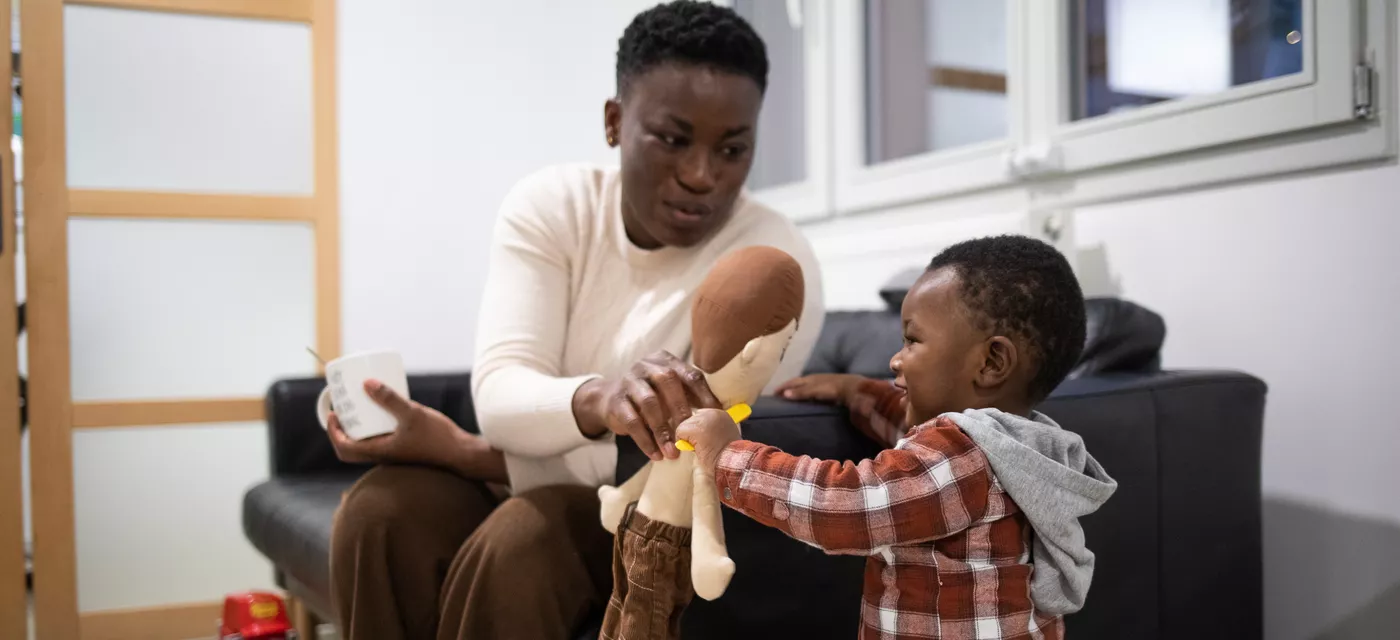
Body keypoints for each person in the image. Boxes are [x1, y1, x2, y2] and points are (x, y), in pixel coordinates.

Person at [322, 3, 825, 639]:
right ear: (615, 122)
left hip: (635, 516)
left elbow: (674, 461)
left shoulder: (773, 263)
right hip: (540, 477)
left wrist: (465, 452)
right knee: (379, 512)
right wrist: (601, 398)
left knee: (523, 536)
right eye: (672, 139)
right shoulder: (554, 206)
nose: (701, 176)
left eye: (733, 148)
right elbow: (501, 392)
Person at [677, 236, 1117, 640]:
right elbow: (914, 439)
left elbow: (842, 508)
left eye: (911, 341)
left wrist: (728, 456)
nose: (894, 359)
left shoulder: (962, 458)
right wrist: (855, 391)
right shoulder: (1018, 445)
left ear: (991, 362)